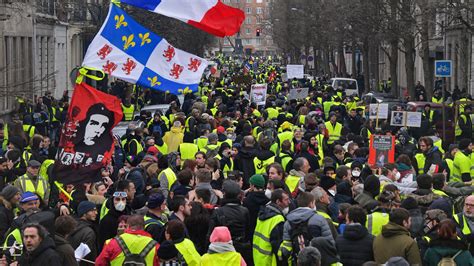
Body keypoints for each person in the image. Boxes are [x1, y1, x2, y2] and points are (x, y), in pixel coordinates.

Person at [280, 192, 333, 263]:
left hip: (298, 261)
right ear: (311, 204)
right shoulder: (320, 219)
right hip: (317, 261)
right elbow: (329, 242)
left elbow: (287, 247)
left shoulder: (288, 222)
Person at [208, 180, 251, 264]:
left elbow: (210, 235)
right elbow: (248, 231)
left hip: (222, 250)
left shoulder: (218, 212)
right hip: (241, 248)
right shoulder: (244, 211)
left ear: (224, 193)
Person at [96, 215, 160, 266]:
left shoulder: (113, 242)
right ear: (144, 227)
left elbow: (100, 263)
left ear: (128, 226)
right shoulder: (155, 246)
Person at [253, 189, 289, 266]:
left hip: (258, 258)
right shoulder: (278, 219)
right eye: (286, 200)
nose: (288, 202)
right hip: (270, 261)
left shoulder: (262, 214)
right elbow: (278, 247)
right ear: (278, 202)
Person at [68, 200, 99, 265]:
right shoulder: (89, 232)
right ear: (84, 213)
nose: (96, 213)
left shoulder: (71, 226)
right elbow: (83, 255)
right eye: (92, 210)